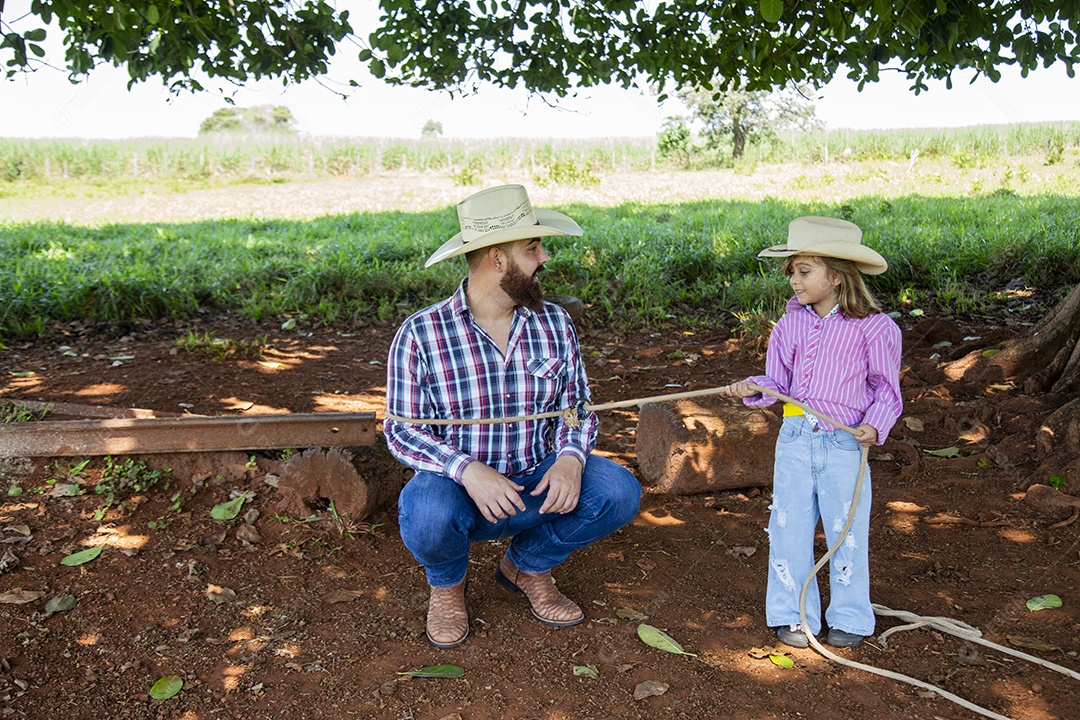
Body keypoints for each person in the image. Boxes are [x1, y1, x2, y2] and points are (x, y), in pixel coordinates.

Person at [384, 184, 642, 649]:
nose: (544, 257)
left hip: (537, 481)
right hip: (461, 490)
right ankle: (446, 589)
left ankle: (527, 567)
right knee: (425, 511)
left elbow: (578, 408)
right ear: (497, 260)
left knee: (617, 492)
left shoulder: (554, 323)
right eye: (532, 247)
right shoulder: (421, 333)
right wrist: (467, 470)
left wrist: (569, 459)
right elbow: (402, 430)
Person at [728, 216, 902, 649]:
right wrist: (754, 386)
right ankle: (792, 613)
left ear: (838, 277)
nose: (794, 281)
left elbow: (887, 390)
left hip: (844, 443)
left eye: (804, 271)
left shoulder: (877, 328)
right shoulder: (790, 326)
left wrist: (874, 425)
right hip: (795, 438)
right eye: (792, 272)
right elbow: (778, 383)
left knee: (847, 529)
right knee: (788, 526)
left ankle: (849, 616)